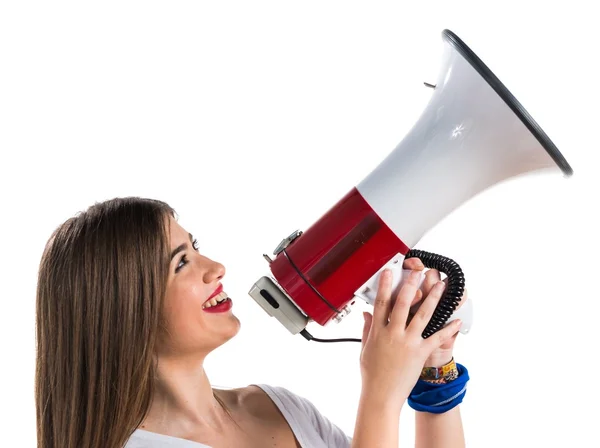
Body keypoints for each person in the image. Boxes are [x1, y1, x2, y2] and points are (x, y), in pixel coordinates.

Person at [35, 197, 468, 448]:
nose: (216, 267)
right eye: (180, 263)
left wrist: (433, 370)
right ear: (126, 308)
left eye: (196, 246)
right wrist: (381, 393)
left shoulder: (279, 407)